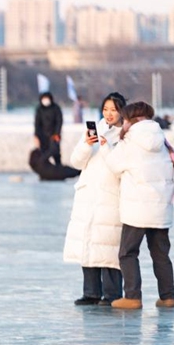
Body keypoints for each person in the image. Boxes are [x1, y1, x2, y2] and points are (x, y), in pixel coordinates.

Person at [104, 101, 174, 309]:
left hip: (137, 209)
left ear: (129, 120)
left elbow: (113, 165)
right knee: (161, 253)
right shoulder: (162, 140)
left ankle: (133, 297)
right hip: (161, 208)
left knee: (128, 253)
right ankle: (169, 296)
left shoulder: (131, 141)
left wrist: (107, 145)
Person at [63, 92, 126, 306]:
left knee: (109, 245)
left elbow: (120, 165)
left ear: (121, 112)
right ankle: (90, 292)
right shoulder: (94, 130)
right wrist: (87, 145)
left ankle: (112, 294)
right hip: (88, 195)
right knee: (89, 243)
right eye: (106, 109)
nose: (109, 114)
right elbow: (76, 162)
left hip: (111, 195)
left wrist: (108, 146)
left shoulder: (125, 135)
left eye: (113, 110)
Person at [34, 92, 64, 166]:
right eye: (44, 99)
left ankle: (59, 169)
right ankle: (44, 170)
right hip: (42, 136)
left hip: (54, 135)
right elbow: (37, 123)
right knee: (43, 154)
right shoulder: (39, 109)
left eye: (47, 98)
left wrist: (57, 133)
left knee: (56, 152)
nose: (45, 100)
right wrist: (36, 135)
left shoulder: (56, 108)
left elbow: (59, 121)